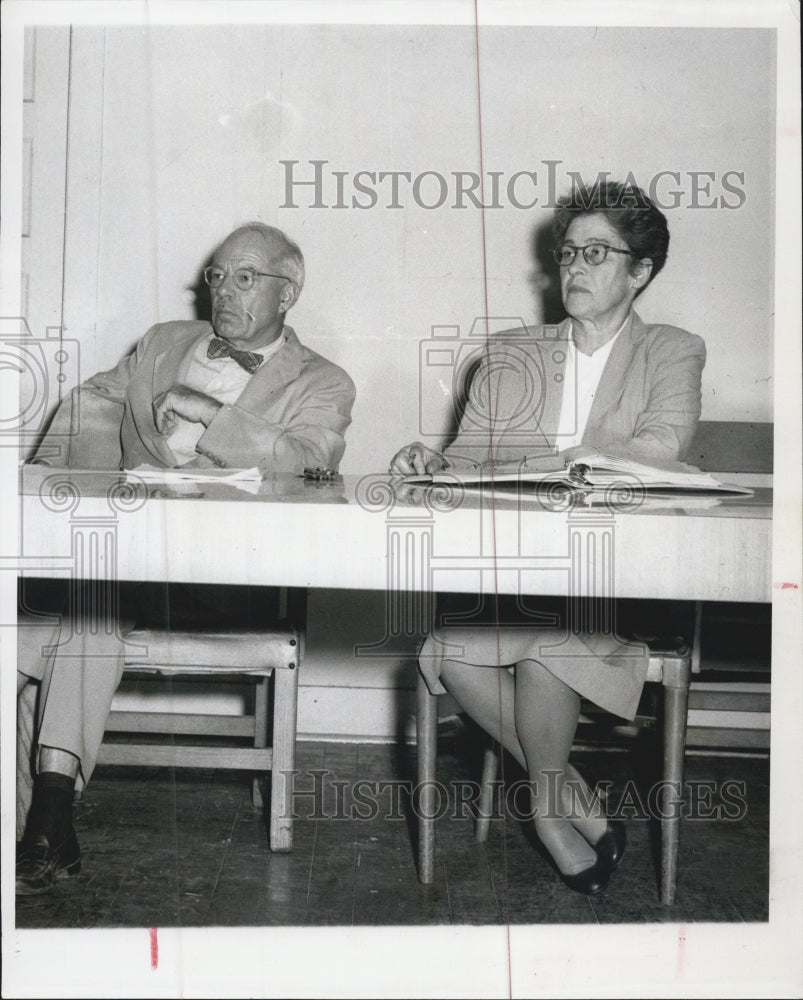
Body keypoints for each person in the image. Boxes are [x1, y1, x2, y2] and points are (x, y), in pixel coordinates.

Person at [16, 222, 356, 894]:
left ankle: (42, 814)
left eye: (246, 277)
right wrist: (44, 492)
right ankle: (46, 815)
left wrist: (208, 414)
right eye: (218, 275)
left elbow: (309, 458)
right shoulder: (164, 342)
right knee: (59, 614)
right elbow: (89, 404)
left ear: (288, 292)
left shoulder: (323, 381)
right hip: (122, 565)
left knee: (74, 608)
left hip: (226, 576)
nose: (224, 290)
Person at [390, 180, 705, 894]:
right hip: (524, 581)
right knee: (447, 649)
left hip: (618, 584)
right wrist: (433, 462)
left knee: (542, 649)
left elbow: (657, 447)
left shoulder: (673, 350)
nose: (574, 268)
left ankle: (545, 811)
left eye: (596, 253)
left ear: (640, 271)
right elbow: (471, 460)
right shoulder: (510, 353)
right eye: (567, 253)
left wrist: (542, 464)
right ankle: (572, 797)